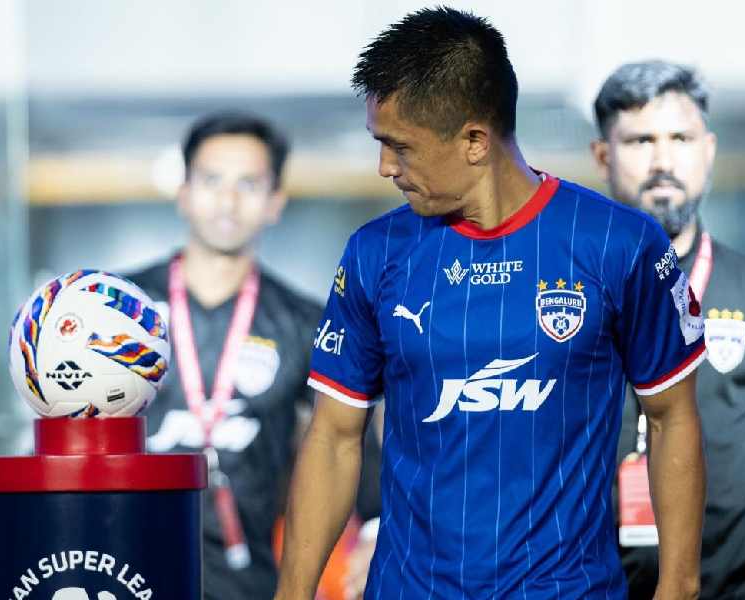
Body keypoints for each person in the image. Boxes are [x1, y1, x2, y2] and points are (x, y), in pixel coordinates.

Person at [276, 7, 707, 599]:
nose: (384, 167)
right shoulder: (374, 252)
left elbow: (672, 416)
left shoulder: (619, 243)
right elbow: (333, 436)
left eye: (400, 147)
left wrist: (678, 587)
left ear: (475, 141)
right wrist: (292, 594)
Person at [592, 60, 745, 599]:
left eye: (680, 138)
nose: (663, 160)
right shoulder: (558, 299)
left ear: (707, 150)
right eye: (640, 140)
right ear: (602, 156)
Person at [127, 112, 325, 600]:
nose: (228, 200)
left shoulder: (305, 322)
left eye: (249, 183)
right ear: (184, 192)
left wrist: (373, 529)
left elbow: (346, 442)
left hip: (249, 580)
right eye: (211, 180)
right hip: (119, 568)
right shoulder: (117, 307)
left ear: (276, 202)